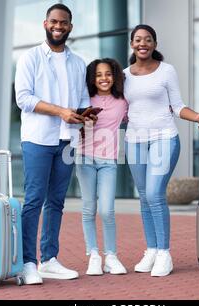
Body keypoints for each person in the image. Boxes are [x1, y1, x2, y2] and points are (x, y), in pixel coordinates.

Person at [123, 24, 199, 277]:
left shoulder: (166, 71)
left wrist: (198, 118)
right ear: (132, 44)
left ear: (154, 44)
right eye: (138, 39)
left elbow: (178, 106)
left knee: (154, 193)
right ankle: (151, 249)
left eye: (148, 39)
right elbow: (116, 108)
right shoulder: (124, 75)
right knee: (143, 196)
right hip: (134, 141)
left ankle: (164, 253)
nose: (143, 43)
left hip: (163, 137)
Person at [14, 3, 94, 284]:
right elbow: (23, 98)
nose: (58, 27)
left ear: (70, 27)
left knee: (56, 202)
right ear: (45, 24)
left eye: (64, 23)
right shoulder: (30, 58)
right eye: (54, 22)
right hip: (38, 139)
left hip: (67, 139)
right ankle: (27, 262)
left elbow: (83, 98)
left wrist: (85, 114)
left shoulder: (78, 62)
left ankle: (49, 259)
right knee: (34, 199)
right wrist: (60, 111)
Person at [75, 59, 128, 276]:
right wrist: (85, 121)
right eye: (98, 75)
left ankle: (111, 256)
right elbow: (74, 126)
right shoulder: (84, 99)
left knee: (107, 210)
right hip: (84, 158)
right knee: (89, 209)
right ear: (92, 79)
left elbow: (133, 118)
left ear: (114, 76)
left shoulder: (123, 101)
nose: (103, 78)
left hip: (109, 161)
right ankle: (94, 255)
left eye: (108, 74)